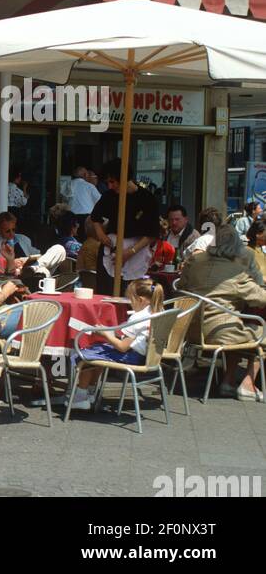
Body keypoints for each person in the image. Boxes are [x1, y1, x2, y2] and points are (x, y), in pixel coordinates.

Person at [178, 224, 266, 400]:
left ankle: (228, 381)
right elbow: (261, 298)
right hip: (219, 332)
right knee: (258, 332)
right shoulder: (236, 271)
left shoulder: (194, 262)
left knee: (237, 323)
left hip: (189, 330)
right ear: (236, 246)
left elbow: (180, 287)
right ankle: (248, 385)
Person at [68, 277, 164, 411]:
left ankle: (81, 396)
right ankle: (89, 392)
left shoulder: (138, 318)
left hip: (131, 357)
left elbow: (122, 347)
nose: (130, 303)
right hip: (147, 357)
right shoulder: (159, 311)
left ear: (140, 300)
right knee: (98, 349)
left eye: (131, 299)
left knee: (85, 354)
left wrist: (106, 335)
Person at [88, 163, 160, 294]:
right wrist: (101, 235)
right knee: (106, 289)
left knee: (133, 292)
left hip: (138, 249)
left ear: (124, 179)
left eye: (113, 182)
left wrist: (131, 252)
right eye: (108, 182)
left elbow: (152, 232)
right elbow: (95, 217)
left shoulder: (147, 198)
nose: (110, 186)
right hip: (112, 246)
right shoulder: (109, 196)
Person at [0, 212, 66, 278]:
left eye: (13, 229)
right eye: (7, 231)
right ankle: (34, 269)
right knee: (44, 272)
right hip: (11, 274)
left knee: (59, 249)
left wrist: (27, 260)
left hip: (29, 271)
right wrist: (11, 262)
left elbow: (39, 255)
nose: (12, 234)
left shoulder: (23, 239)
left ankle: (33, 268)